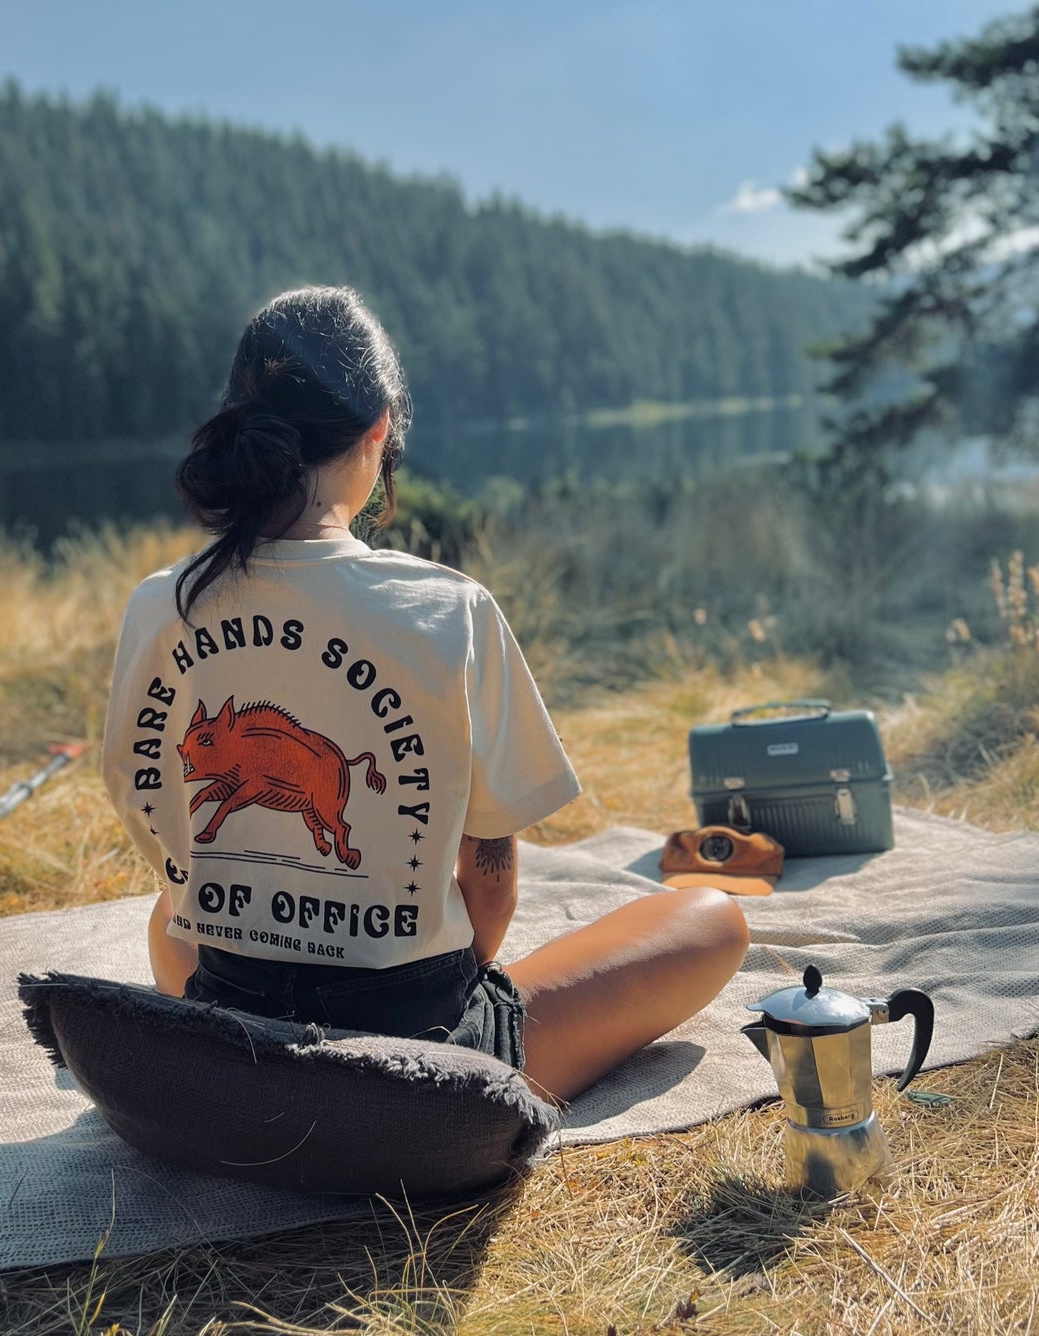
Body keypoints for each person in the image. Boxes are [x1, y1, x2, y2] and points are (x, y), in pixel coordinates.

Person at [102, 286, 748, 1103]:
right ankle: (437, 1081)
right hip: (418, 1065)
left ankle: (264, 1073)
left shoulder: (161, 603)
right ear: (377, 430)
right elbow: (491, 890)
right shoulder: (449, 608)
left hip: (237, 1026)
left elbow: (155, 823)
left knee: (168, 922)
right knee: (709, 918)